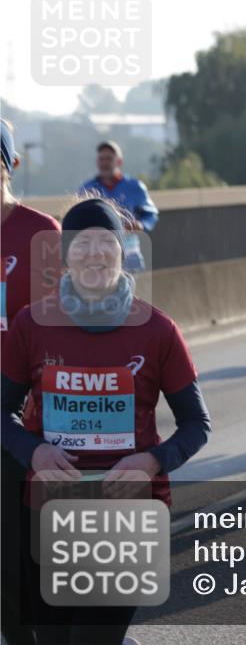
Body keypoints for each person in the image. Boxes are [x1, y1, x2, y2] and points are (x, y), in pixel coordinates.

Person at [1, 197, 211, 645]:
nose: (94, 253)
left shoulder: (157, 330)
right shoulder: (31, 326)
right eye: (81, 243)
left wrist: (154, 461)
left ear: (122, 250)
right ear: (64, 256)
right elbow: (2, 412)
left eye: (106, 242)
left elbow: (196, 423)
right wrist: (33, 450)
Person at [0, 119, 61, 645]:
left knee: (18, 550)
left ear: (10, 163)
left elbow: (57, 328)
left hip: (14, 412)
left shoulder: (40, 233)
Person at [78, 141, 158, 272]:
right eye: (101, 159)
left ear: (119, 161)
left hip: (128, 249)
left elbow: (151, 214)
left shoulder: (135, 186)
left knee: (127, 289)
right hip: (97, 252)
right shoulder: (87, 188)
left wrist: (141, 224)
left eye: (109, 159)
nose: (105, 163)